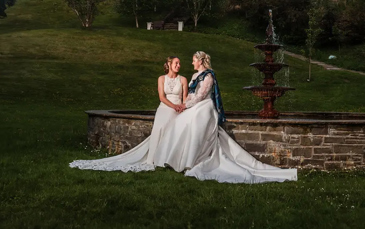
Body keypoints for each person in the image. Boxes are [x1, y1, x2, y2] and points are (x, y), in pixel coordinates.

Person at [71, 52, 298, 183]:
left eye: (192, 59)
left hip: (203, 108)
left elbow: (199, 96)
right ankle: (174, 158)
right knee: (180, 125)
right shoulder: (194, 75)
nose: (190, 62)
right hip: (189, 106)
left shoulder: (208, 75)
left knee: (186, 123)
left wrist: (183, 106)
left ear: (201, 60)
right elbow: (188, 95)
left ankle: (190, 160)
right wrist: (183, 105)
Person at [69, 56, 188, 172]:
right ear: (169, 64)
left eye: (179, 63)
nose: (178, 65)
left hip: (177, 109)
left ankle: (170, 158)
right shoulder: (161, 79)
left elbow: (185, 98)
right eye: (176, 63)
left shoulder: (183, 79)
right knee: (160, 127)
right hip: (165, 107)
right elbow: (162, 97)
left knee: (173, 129)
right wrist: (173, 106)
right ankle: (155, 158)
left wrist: (181, 107)